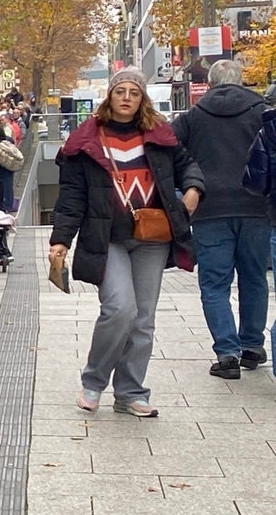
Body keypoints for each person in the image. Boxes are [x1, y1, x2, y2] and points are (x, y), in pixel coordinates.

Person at [50, 68, 202, 416]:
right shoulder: (86, 140)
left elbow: (187, 165)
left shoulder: (159, 134)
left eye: (134, 92)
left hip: (152, 235)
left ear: (142, 99)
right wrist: (61, 240)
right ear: (110, 96)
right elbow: (72, 196)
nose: (127, 98)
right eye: (121, 91)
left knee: (143, 318)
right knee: (120, 309)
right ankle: (93, 381)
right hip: (107, 238)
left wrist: (193, 192)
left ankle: (131, 392)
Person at [173, 58, 271, 379]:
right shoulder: (262, 111)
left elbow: (169, 151)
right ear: (241, 80)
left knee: (215, 283)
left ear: (211, 84)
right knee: (254, 277)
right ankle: (252, 346)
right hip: (256, 207)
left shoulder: (193, 117)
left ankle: (227, 352)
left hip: (209, 208)